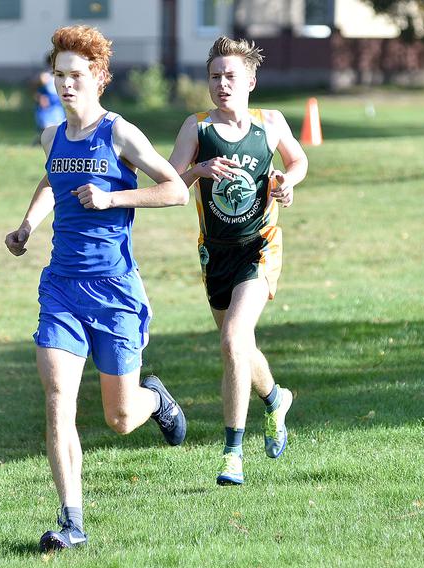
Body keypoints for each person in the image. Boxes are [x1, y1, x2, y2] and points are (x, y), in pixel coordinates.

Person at [5, 25, 189, 552]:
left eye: (76, 76)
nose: (66, 85)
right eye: (59, 75)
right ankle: (72, 522)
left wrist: (112, 201)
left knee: (120, 417)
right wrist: (27, 227)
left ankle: (153, 399)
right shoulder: (52, 136)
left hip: (114, 289)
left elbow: (175, 190)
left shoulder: (120, 134)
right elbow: (51, 179)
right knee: (58, 397)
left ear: (99, 78)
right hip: (61, 287)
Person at [168, 37, 308, 486]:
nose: (222, 83)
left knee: (232, 339)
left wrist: (288, 182)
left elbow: (298, 159)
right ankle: (275, 398)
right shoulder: (197, 127)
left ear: (250, 80)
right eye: (214, 76)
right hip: (215, 254)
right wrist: (197, 172)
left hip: (260, 246)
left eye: (230, 76)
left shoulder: (270, 123)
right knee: (240, 347)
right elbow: (171, 186)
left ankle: (232, 454)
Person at [34, 70, 66, 135]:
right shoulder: (45, 76)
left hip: (56, 108)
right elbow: (37, 92)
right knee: (47, 129)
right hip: (47, 109)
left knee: (57, 128)